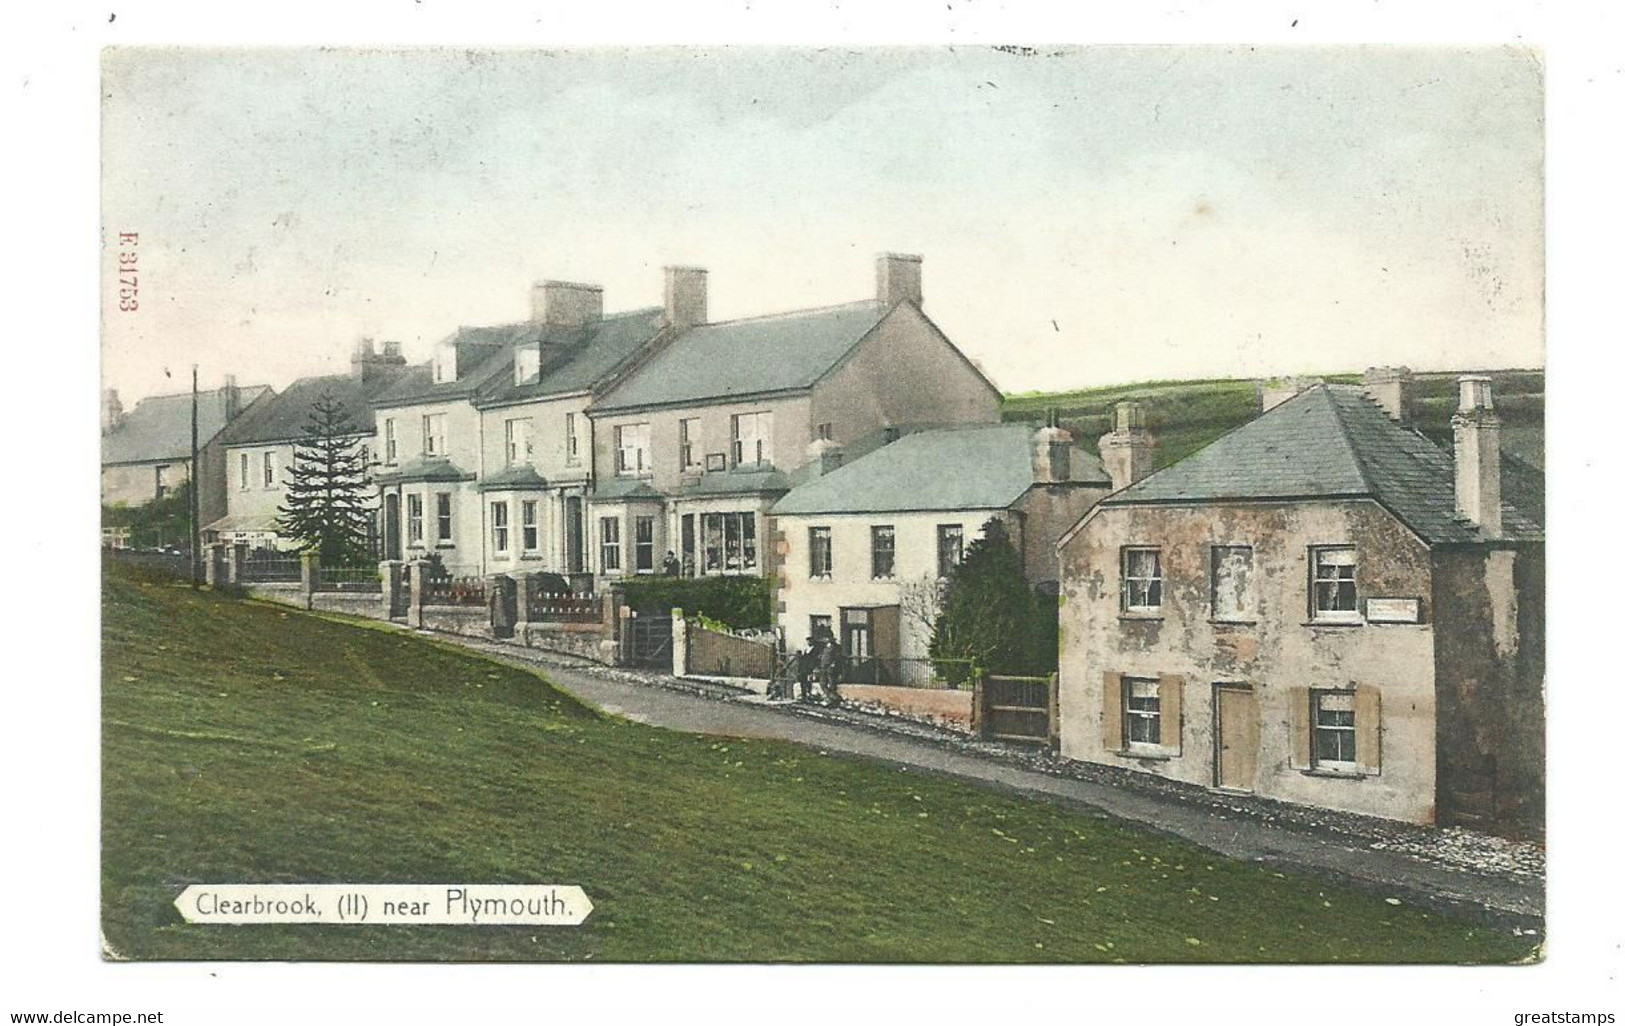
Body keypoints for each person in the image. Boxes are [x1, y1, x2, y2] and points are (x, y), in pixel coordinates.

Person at [817, 633, 844, 707]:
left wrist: (833, 664)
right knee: (822, 683)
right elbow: (823, 656)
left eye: (829, 638)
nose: (827, 640)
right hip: (823, 667)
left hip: (831, 668)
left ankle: (833, 700)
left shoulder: (836, 647)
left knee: (832, 683)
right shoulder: (825, 647)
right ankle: (832, 697)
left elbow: (838, 657)